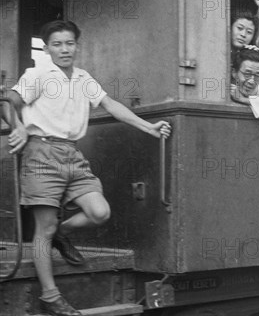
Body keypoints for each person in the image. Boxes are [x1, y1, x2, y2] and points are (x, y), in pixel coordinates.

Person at [2, 20, 171, 316]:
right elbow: (9, 101)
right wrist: (17, 127)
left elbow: (111, 104)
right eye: (57, 44)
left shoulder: (83, 78)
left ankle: (60, 232)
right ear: (47, 48)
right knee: (44, 227)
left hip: (72, 154)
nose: (64, 49)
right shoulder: (39, 74)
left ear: (77, 45)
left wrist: (149, 127)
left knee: (99, 212)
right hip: (40, 152)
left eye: (69, 43)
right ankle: (50, 295)